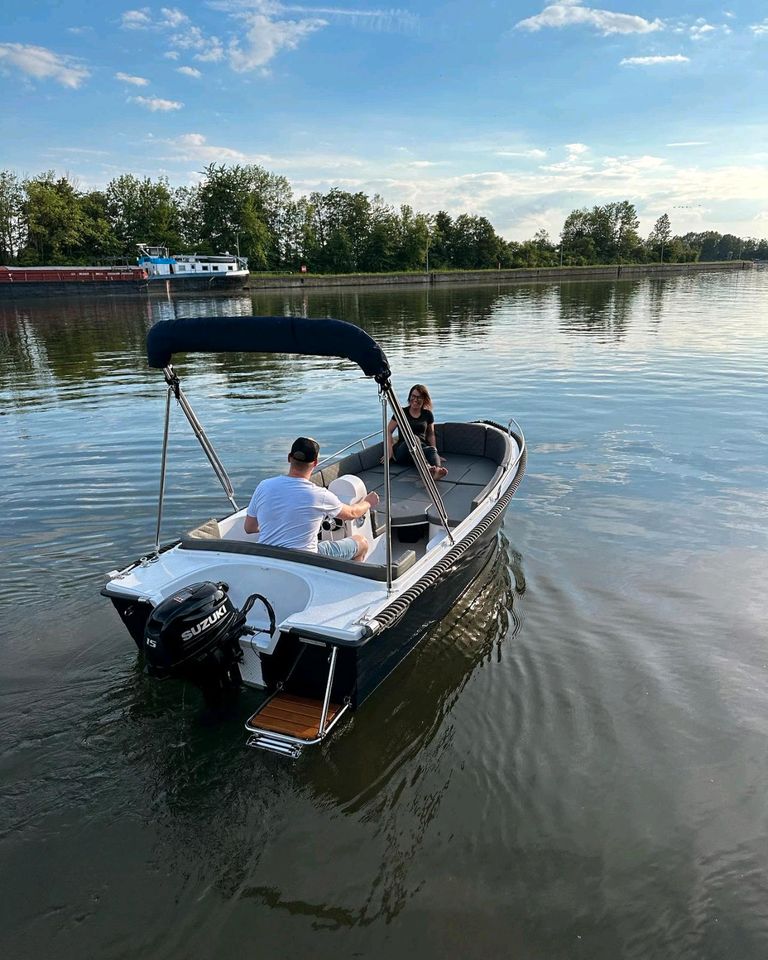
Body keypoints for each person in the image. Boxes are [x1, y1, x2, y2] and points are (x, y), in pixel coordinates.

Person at [243, 436, 379, 561]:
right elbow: (352, 513)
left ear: (289, 458)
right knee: (361, 543)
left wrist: (273, 528)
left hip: (268, 556)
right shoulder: (320, 495)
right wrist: (368, 502)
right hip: (307, 559)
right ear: (315, 463)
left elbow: (249, 528)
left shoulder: (264, 486)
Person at [384, 383, 448, 479]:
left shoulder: (428, 414)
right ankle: (427, 467)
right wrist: (389, 451)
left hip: (421, 450)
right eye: (413, 396)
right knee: (414, 438)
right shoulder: (401, 412)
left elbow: (430, 434)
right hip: (403, 451)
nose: (415, 400)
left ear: (424, 399)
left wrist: (436, 453)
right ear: (409, 397)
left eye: (419, 397)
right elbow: (388, 431)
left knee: (431, 449)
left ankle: (437, 471)